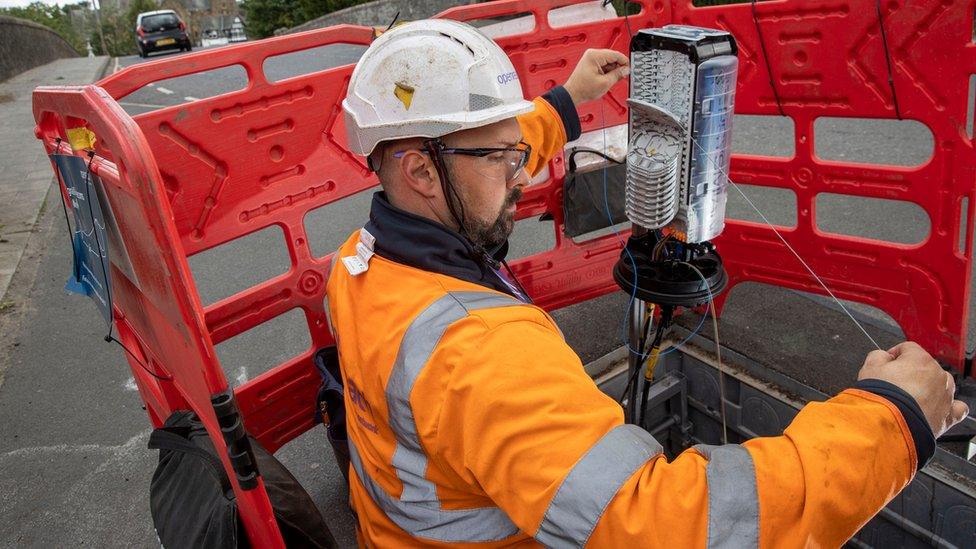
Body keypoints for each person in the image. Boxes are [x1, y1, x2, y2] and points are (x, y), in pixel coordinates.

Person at [327, 19, 968, 548]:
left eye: (516, 151)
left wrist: (567, 103)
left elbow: (481, 146)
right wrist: (892, 421)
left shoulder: (358, 262)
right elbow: (664, 525)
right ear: (420, 172)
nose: (522, 177)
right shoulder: (481, 355)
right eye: (504, 159)